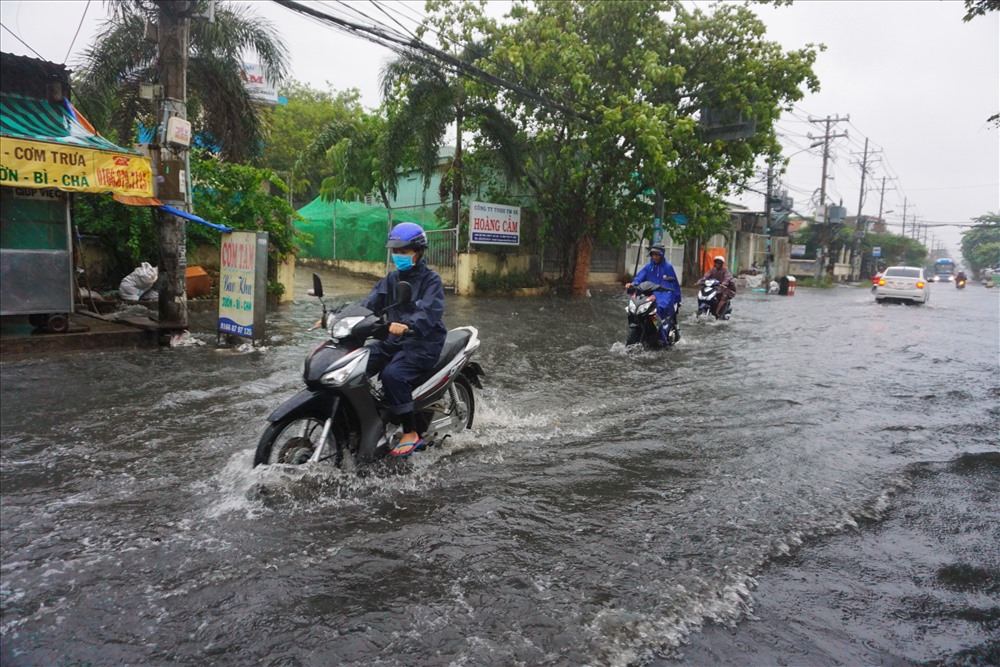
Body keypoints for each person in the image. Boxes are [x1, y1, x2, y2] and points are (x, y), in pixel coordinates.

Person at [362, 222, 447, 457]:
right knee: (358, 364)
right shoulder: (390, 279)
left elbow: (429, 311)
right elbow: (369, 303)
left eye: (404, 252)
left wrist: (408, 325)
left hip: (423, 343)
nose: (398, 256)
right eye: (396, 252)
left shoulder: (431, 280)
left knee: (393, 375)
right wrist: (338, 315)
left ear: (417, 253)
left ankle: (410, 432)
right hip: (393, 340)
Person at [625, 244, 682, 342]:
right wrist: (633, 284)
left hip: (665, 294)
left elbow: (674, 284)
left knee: (658, 309)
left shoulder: (668, 267)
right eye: (653, 254)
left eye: (657, 254)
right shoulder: (648, 267)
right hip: (650, 294)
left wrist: (677, 297)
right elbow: (639, 277)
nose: (655, 257)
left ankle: (662, 336)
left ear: (662, 255)